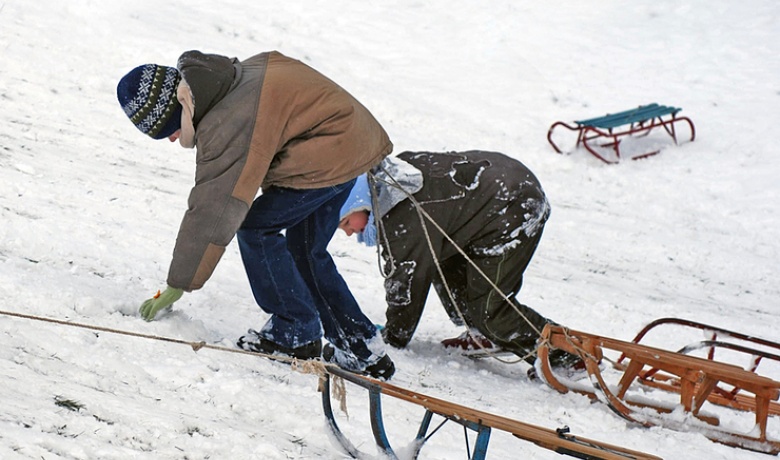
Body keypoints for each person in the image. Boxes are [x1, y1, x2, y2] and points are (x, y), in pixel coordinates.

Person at [116, 50, 395, 380]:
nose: (173, 139)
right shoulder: (229, 79)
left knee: (255, 229)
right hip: (351, 144)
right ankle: (362, 347)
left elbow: (213, 209)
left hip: (330, 153)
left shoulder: (227, 120)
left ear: (177, 107)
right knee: (305, 249)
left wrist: (178, 283)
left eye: (168, 129)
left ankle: (295, 332)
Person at [338, 150, 579, 370]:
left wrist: (393, 337)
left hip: (513, 205)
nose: (348, 232)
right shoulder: (388, 183)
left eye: (347, 222)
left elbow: (407, 281)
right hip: (501, 191)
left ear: (361, 202)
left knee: (489, 309)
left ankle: (566, 355)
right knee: (443, 259)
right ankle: (481, 332)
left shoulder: (403, 217)